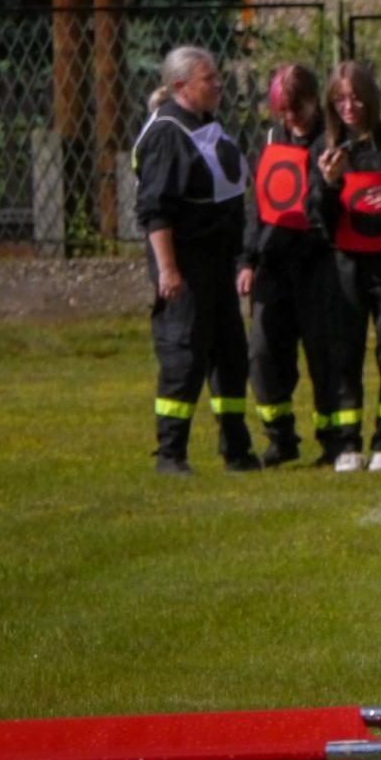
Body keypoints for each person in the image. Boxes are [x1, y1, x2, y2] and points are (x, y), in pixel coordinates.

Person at [132, 46, 260, 474]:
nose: (219, 84)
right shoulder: (168, 133)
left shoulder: (204, 124)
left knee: (230, 353)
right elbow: (155, 211)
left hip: (217, 263)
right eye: (210, 79)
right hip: (185, 263)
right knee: (183, 354)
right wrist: (168, 270)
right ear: (181, 86)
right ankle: (171, 454)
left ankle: (236, 448)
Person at [309, 61, 381, 472]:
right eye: (339, 99)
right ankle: (346, 444)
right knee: (343, 351)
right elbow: (316, 217)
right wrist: (328, 184)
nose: (349, 106)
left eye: (356, 97)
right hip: (345, 266)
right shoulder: (325, 147)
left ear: (371, 98)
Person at [239, 64, 339, 468]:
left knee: (323, 355)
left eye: (296, 109)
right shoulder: (269, 139)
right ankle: (280, 438)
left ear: (314, 101)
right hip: (272, 264)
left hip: (318, 264)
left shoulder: (332, 141)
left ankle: (333, 440)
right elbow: (256, 205)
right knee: (263, 353)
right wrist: (247, 259)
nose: (289, 118)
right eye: (282, 111)